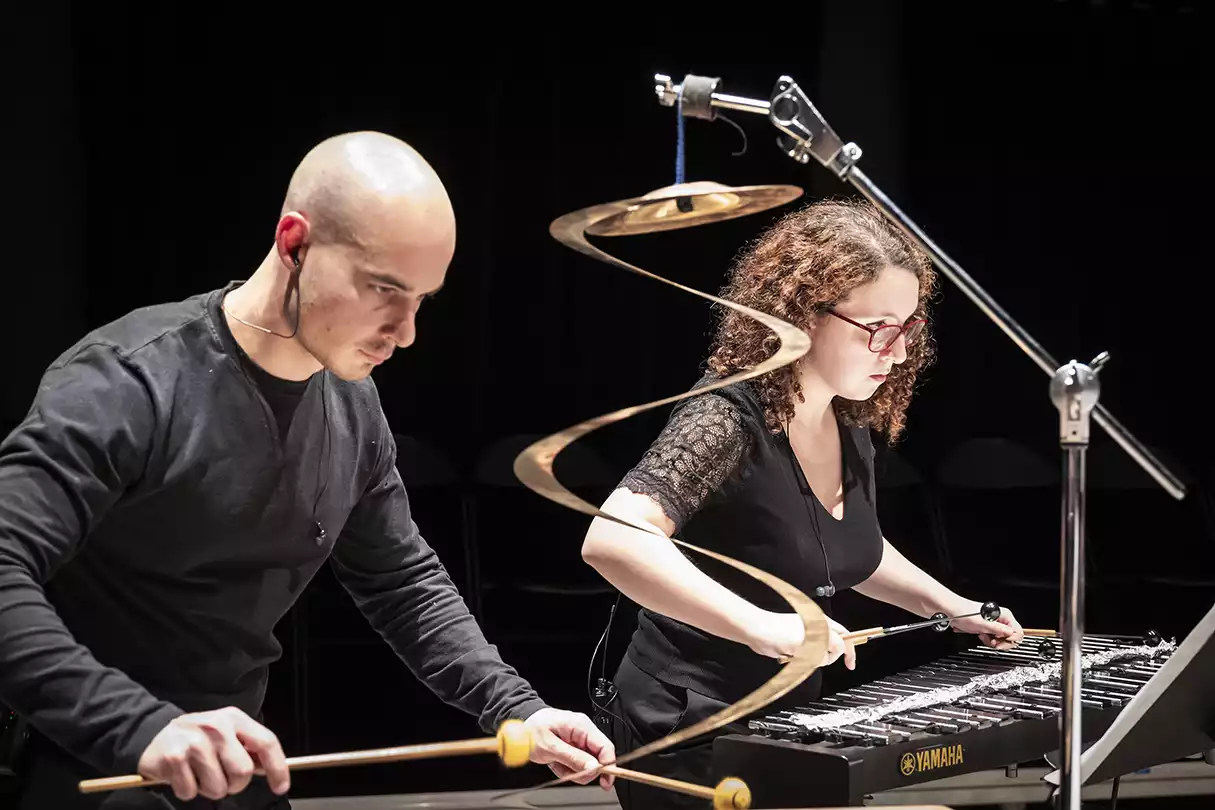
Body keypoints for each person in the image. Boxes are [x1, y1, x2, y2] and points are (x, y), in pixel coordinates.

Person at [0, 131, 616, 809]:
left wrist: (517, 710)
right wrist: (140, 726)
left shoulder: (350, 401)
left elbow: (401, 579)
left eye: (422, 300)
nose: (405, 332)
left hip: (232, 766)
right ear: (295, 243)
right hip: (94, 764)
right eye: (384, 289)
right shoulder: (129, 381)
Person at [580, 198, 1025, 809]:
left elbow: (848, 547)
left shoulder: (851, 418)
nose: (897, 355)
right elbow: (614, 539)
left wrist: (951, 606)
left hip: (789, 715)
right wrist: (762, 625)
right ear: (802, 315)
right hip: (689, 723)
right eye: (878, 329)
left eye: (909, 329)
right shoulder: (727, 418)